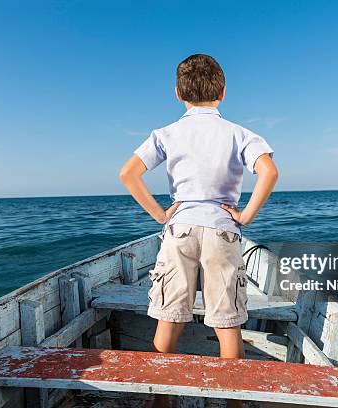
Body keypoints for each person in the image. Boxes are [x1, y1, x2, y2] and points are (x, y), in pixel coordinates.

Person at [119, 54, 278, 408]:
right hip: (223, 230)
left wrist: (161, 214)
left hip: (180, 231)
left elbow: (128, 174)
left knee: (168, 317)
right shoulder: (239, 133)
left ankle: (163, 402)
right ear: (222, 91)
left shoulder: (167, 133)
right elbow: (268, 172)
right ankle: (234, 403)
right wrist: (245, 216)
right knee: (227, 322)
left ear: (178, 93)